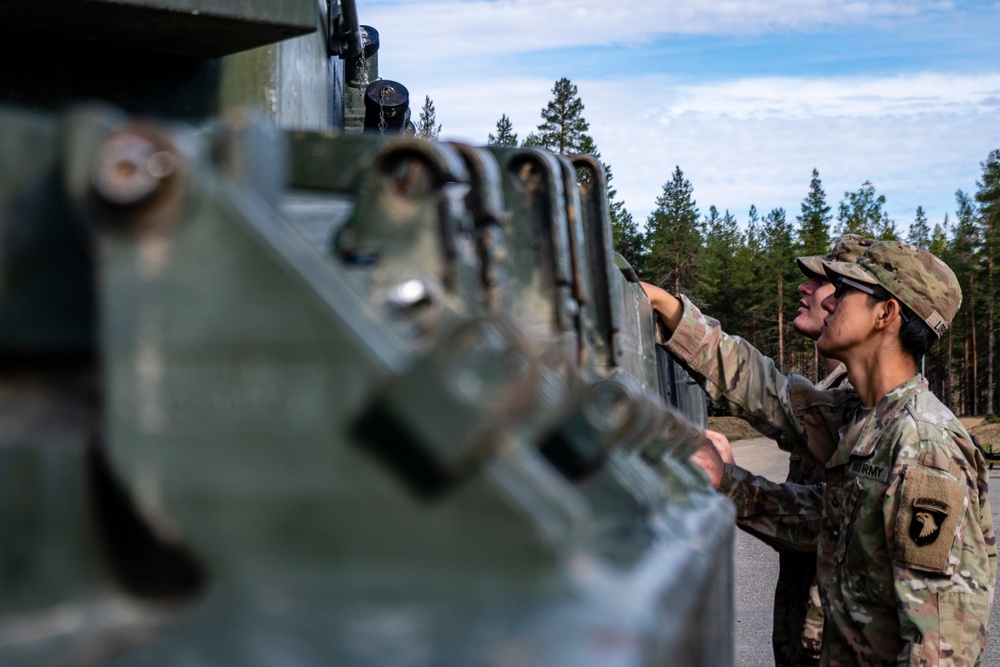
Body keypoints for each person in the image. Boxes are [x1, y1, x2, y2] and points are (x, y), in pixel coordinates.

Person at [669, 242, 995, 665]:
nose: (830, 300)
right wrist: (725, 481)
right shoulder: (868, 419)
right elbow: (827, 520)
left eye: (844, 290)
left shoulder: (922, 444)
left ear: (885, 314)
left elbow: (938, 647)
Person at [649, 234, 874, 666]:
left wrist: (734, 486)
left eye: (828, 283)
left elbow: (833, 526)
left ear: (883, 312)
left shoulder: (891, 422)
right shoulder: (841, 403)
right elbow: (760, 388)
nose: (808, 292)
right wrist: (667, 307)